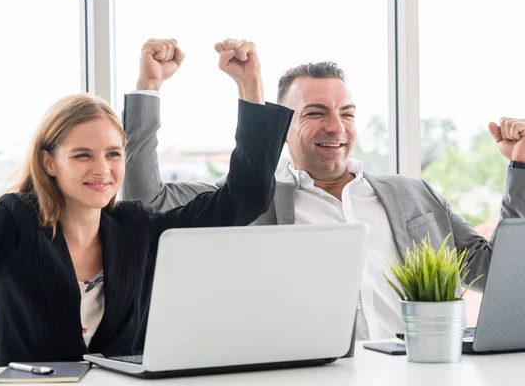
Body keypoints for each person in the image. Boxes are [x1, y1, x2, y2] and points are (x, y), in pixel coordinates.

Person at [0, 6, 293, 365]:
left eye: (114, 154)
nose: (102, 169)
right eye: (83, 155)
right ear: (48, 162)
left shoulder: (138, 229)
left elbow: (243, 199)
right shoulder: (9, 227)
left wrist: (250, 85)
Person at [121, 39, 525, 341]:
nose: (337, 127)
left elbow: (498, 272)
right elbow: (146, 201)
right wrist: (148, 87)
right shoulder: (247, 201)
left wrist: (521, 167)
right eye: (316, 113)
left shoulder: (414, 193)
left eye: (346, 113)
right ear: (281, 130)